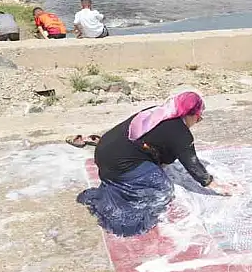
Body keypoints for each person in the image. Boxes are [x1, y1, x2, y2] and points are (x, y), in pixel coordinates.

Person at [75, 91, 237, 237]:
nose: (199, 119)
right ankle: (120, 191)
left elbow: (160, 150)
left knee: (155, 171)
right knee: (163, 189)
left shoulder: (159, 112)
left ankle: (123, 179)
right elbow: (193, 165)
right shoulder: (180, 134)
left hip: (104, 152)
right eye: (198, 116)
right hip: (118, 166)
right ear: (190, 114)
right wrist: (217, 185)